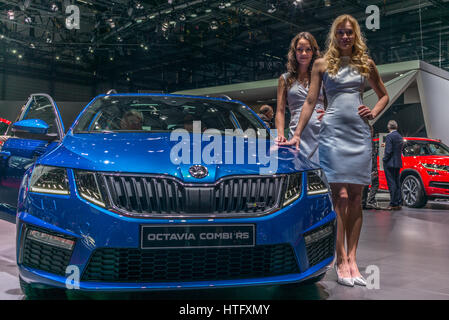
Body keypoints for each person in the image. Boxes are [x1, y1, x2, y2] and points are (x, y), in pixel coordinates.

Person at [280, 14, 389, 287]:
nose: (344, 37)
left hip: (359, 134)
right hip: (331, 134)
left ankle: (353, 258)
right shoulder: (321, 64)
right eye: (340, 32)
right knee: (339, 196)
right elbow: (310, 102)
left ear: (355, 35)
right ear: (334, 35)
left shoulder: (366, 64)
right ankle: (340, 260)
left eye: (349, 33)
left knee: (356, 197)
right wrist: (295, 134)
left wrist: (373, 111)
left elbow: (383, 94)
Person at [275, 32, 324, 163]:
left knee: (325, 176)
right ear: (294, 52)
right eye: (300, 49)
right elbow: (280, 110)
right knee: (299, 173)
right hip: (297, 133)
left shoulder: (322, 76)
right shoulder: (285, 79)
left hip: (322, 132)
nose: (304, 53)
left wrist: (329, 112)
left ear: (313, 52)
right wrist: (280, 134)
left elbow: (333, 100)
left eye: (308, 49)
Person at [383, 120, 403, 210]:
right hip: (398, 162)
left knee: (391, 184)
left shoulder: (389, 136)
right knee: (397, 183)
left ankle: (393, 203)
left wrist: (384, 159)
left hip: (389, 163)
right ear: (396, 127)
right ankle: (398, 202)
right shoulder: (399, 136)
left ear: (388, 127)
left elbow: (388, 151)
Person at [362, 128, 380, 210]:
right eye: (372, 131)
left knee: (365, 184)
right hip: (370, 167)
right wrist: (374, 169)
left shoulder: (363, 140)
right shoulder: (370, 141)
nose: (373, 132)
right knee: (375, 183)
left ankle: (363, 202)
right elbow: (372, 155)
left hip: (364, 166)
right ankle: (370, 201)